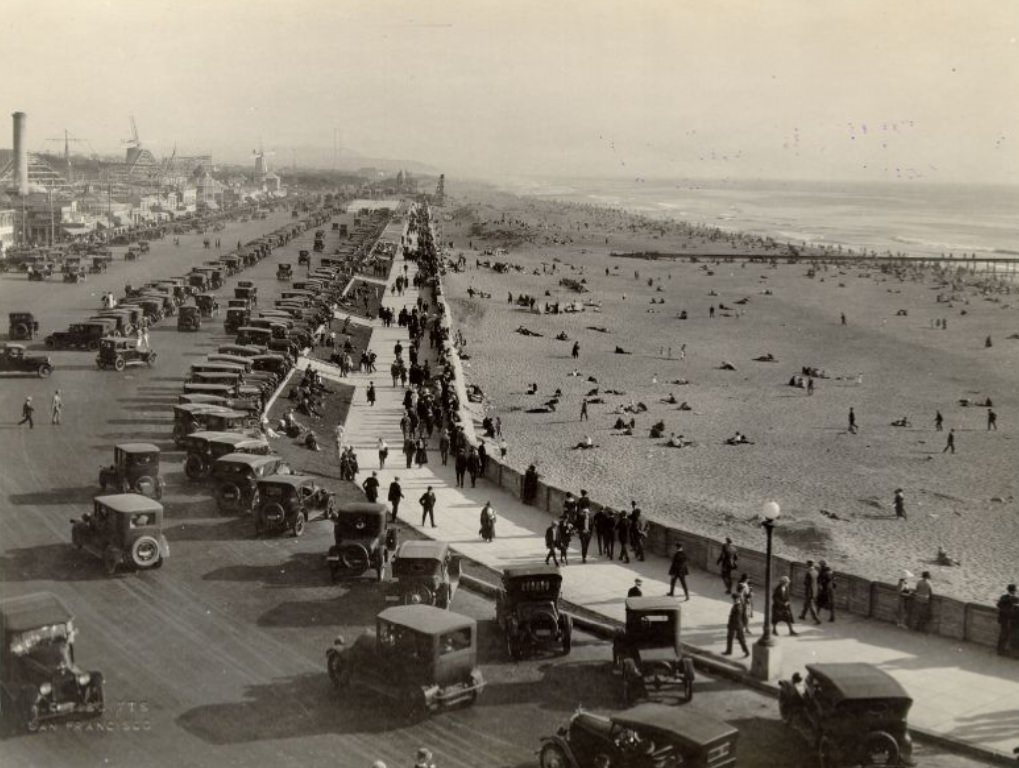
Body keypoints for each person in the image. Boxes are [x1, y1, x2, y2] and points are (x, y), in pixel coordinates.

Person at [996, 584, 1018, 656]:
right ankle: (1001, 650)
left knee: (1004, 634)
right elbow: (1000, 605)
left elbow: (999, 605)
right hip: (1006, 620)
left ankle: (1001, 650)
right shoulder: (1007, 598)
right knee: (1004, 635)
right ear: (1013, 591)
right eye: (1015, 590)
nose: (1015, 592)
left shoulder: (1005, 597)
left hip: (1005, 620)